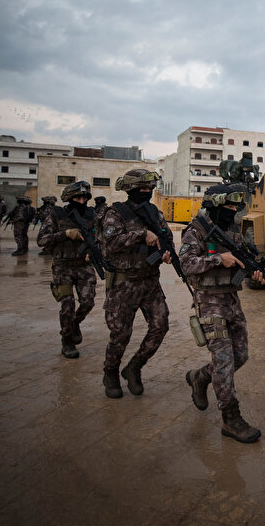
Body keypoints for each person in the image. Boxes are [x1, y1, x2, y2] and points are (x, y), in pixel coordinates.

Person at [183, 184, 265, 444]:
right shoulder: (196, 230)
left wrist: (255, 273)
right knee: (223, 361)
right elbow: (186, 264)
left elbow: (240, 260)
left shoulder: (231, 230)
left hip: (231, 299)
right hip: (208, 302)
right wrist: (219, 259)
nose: (232, 211)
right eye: (228, 206)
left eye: (234, 207)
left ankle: (199, 377)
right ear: (214, 204)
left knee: (240, 356)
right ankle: (231, 419)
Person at [97, 169, 171, 399]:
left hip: (150, 281)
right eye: (142, 188)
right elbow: (110, 244)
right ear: (130, 189)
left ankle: (134, 367)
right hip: (124, 283)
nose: (147, 192)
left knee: (160, 326)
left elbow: (165, 235)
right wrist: (141, 234)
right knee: (121, 334)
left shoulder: (153, 212)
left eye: (150, 188)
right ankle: (110, 372)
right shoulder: (115, 213)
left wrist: (168, 252)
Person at [37, 182, 97, 359]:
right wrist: (65, 234)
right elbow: (42, 240)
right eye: (77, 198)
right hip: (63, 266)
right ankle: (67, 341)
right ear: (69, 199)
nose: (81, 201)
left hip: (83, 265)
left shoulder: (91, 215)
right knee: (67, 305)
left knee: (88, 302)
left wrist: (92, 252)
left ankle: (75, 323)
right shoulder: (56, 214)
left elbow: (99, 238)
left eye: (84, 198)